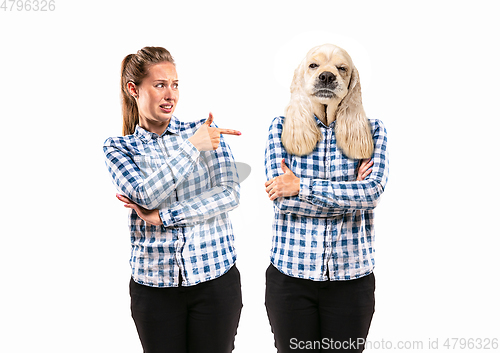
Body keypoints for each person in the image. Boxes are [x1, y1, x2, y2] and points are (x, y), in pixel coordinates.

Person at [103, 46, 242, 353]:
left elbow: (230, 194)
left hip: (215, 279)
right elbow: (145, 195)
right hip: (154, 289)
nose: (170, 94)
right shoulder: (119, 148)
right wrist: (193, 148)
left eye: (175, 85)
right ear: (133, 89)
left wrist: (164, 217)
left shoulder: (204, 131)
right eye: (160, 85)